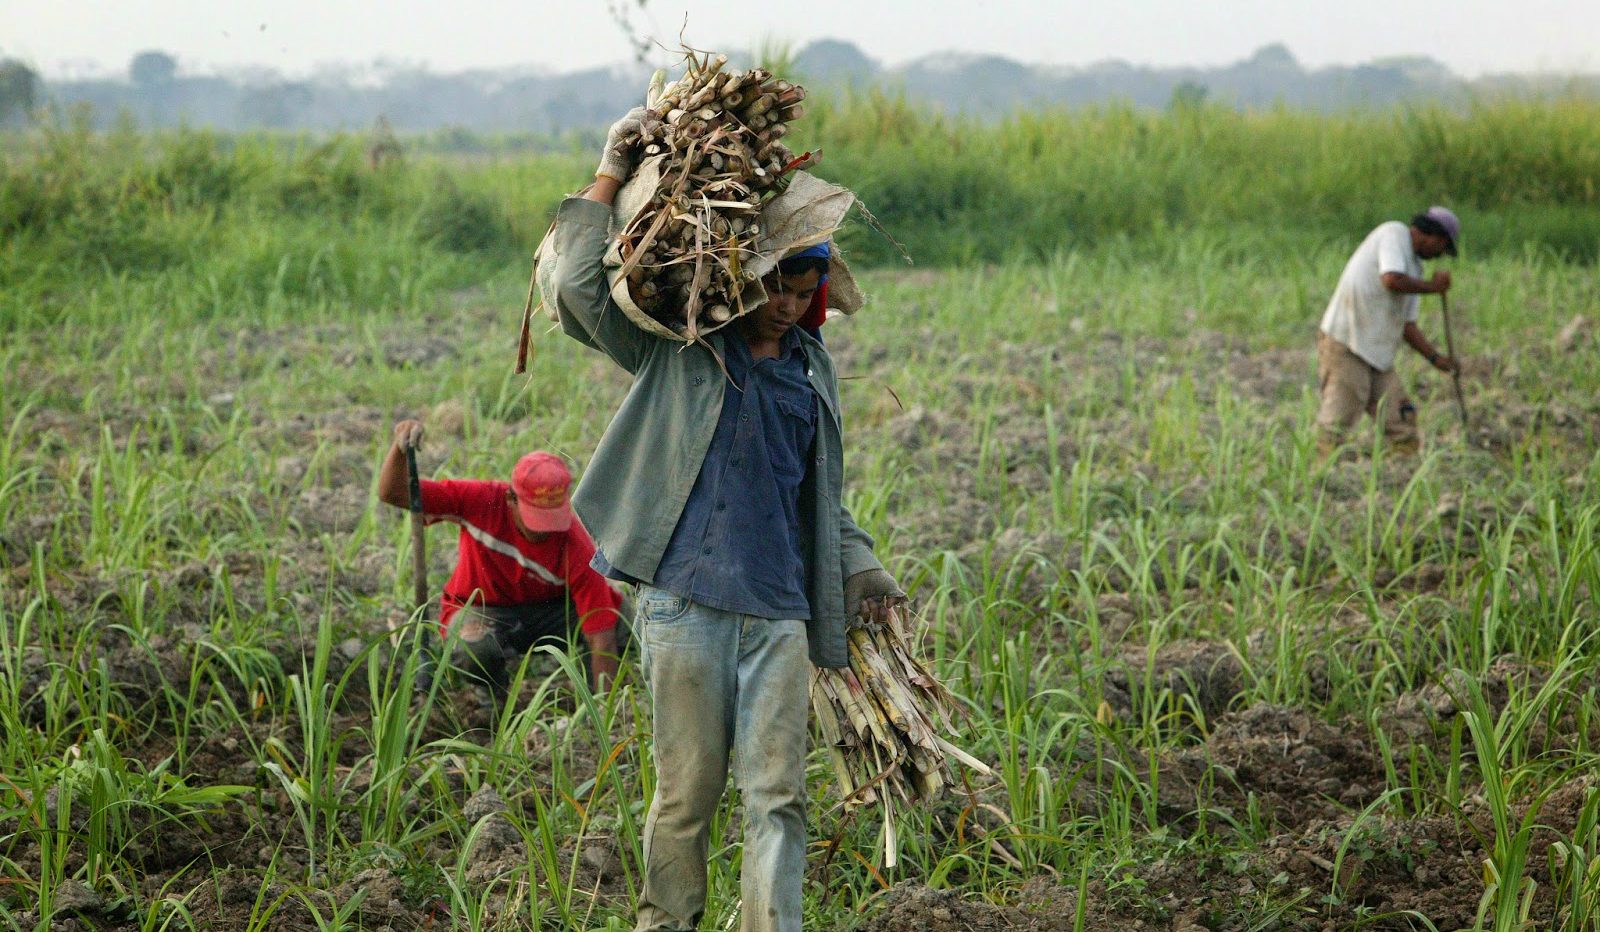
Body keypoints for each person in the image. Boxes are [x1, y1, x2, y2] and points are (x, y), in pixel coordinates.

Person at [548, 109, 905, 931]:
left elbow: (816, 492)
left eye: (803, 286)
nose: (787, 302)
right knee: (686, 797)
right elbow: (574, 291)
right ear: (743, 276)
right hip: (685, 604)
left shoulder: (812, 372)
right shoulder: (685, 348)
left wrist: (860, 564)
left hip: (779, 610)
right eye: (776, 283)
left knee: (778, 796)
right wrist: (609, 167)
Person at [375, 419, 624, 700]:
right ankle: (491, 700)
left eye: (552, 518)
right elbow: (393, 493)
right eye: (535, 520)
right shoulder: (480, 501)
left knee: (624, 622)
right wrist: (399, 449)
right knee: (475, 647)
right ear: (510, 499)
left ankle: (589, 688)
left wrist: (604, 711)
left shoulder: (574, 542)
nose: (544, 531)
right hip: (483, 610)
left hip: (549, 613)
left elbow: (600, 632)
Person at [1316, 207, 1461, 456]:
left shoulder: (1415, 269)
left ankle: (1401, 476)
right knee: (1339, 420)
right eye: (1441, 248)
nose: (1438, 255)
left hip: (1377, 353)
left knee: (1401, 419)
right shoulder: (1394, 234)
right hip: (1348, 342)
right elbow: (1391, 280)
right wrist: (1433, 288)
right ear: (1434, 237)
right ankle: (1320, 475)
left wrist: (1436, 359)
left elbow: (1407, 326)